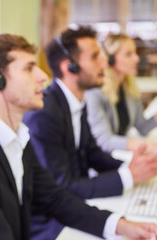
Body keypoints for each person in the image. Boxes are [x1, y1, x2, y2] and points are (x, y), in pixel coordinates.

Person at [0, 33, 157, 240]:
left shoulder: (17, 136)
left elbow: (54, 198)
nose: (43, 76)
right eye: (29, 68)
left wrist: (120, 226)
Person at [23, 26, 157, 238]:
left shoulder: (76, 101)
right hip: (53, 223)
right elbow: (62, 186)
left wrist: (134, 167)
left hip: (78, 206)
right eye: (95, 57)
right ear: (70, 67)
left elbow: (93, 154)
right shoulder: (44, 114)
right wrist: (127, 176)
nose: (104, 63)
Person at [85, 33, 157, 153]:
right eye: (129, 54)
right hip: (101, 161)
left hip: (119, 155)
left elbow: (142, 127)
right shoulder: (95, 92)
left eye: (135, 53)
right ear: (110, 59)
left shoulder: (129, 88)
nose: (137, 58)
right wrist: (147, 146)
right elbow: (104, 141)